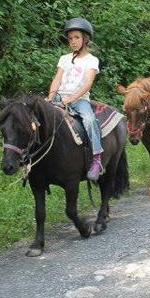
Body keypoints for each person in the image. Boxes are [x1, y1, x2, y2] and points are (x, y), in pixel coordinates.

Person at [47, 18, 104, 182]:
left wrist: (71, 98)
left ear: (85, 38)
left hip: (79, 100)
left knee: (89, 119)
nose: (73, 41)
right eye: (70, 38)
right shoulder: (64, 58)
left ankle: (96, 159)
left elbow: (87, 83)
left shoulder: (92, 60)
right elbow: (57, 79)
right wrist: (50, 97)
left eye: (77, 37)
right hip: (60, 97)